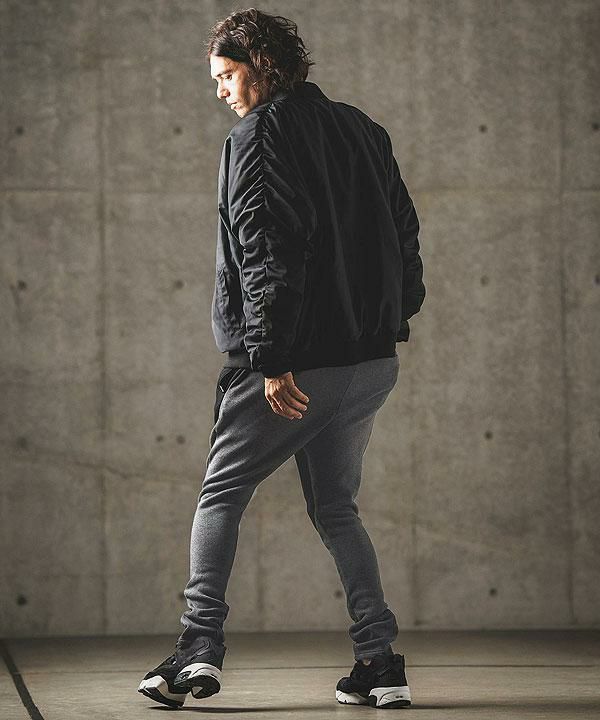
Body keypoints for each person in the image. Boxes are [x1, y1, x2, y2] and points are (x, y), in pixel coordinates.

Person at [138, 7, 425, 711]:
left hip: (295, 364)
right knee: (337, 508)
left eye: (227, 75)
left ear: (261, 67)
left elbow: (267, 247)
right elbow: (405, 234)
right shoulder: (362, 128)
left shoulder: (260, 137)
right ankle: (380, 662)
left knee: (221, 494)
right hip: (370, 361)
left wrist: (271, 357)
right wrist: (392, 316)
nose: (220, 90)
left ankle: (197, 648)